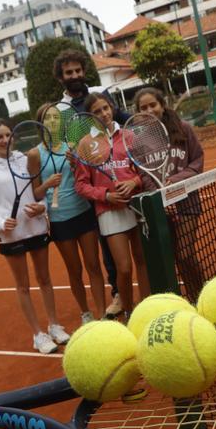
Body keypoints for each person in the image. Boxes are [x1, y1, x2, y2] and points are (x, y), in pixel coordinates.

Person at [0, 119, 71, 353]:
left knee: (45, 279)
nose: (5, 140)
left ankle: (54, 325)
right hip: (11, 235)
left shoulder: (24, 160)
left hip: (35, 228)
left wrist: (42, 208)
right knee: (23, 286)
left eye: (8, 135)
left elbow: (37, 193)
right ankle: (38, 335)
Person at [54, 49, 127, 317]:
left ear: (84, 71)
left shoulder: (99, 93)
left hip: (122, 173)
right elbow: (66, 145)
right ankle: (118, 293)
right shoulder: (61, 110)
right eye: (68, 73)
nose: (74, 76)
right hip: (92, 186)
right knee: (106, 240)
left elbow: (119, 118)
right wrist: (73, 157)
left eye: (77, 71)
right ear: (61, 78)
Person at [72, 92, 151, 319]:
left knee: (142, 261)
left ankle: (145, 309)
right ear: (90, 117)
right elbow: (81, 185)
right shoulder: (85, 145)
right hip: (108, 211)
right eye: (97, 111)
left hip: (135, 204)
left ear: (112, 108)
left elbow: (143, 170)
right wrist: (106, 195)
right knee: (124, 268)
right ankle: (128, 311)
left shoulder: (128, 136)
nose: (103, 114)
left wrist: (133, 182)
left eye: (106, 108)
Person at [34, 102, 106, 323]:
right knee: (74, 270)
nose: (53, 122)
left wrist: (76, 164)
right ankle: (86, 313)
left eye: (56, 118)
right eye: (48, 118)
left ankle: (102, 314)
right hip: (60, 219)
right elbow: (35, 193)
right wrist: (46, 184)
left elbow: (83, 178)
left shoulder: (71, 147)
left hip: (82, 212)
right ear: (41, 123)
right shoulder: (34, 155)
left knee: (93, 266)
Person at [133, 87, 206, 295]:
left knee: (185, 254)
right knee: (173, 257)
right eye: (143, 107)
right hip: (160, 208)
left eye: (153, 105)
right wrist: (160, 196)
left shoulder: (183, 129)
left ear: (162, 106)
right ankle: (190, 298)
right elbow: (143, 174)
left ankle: (202, 291)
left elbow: (197, 161)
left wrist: (173, 182)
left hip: (187, 202)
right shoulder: (139, 142)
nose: (149, 110)